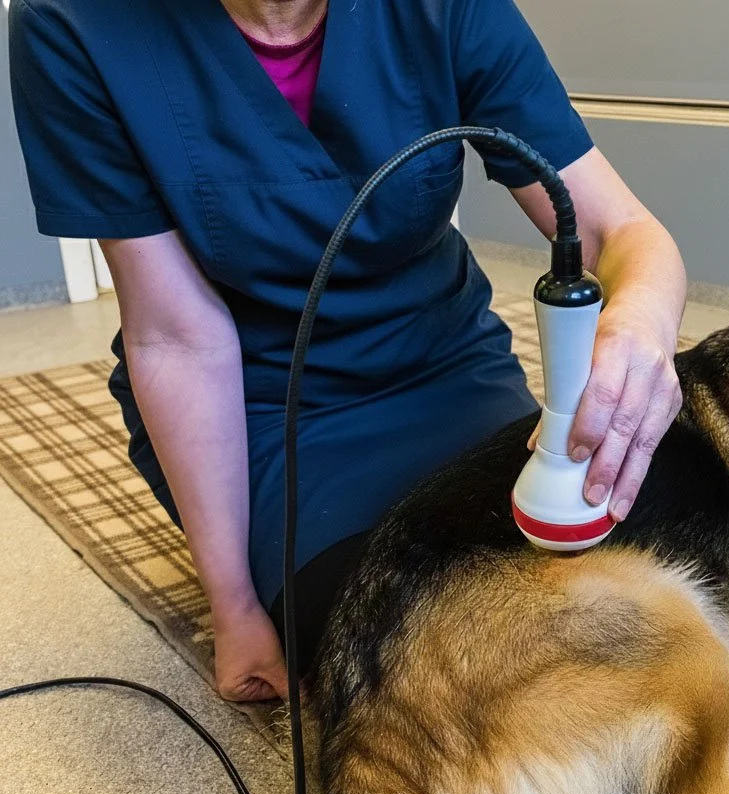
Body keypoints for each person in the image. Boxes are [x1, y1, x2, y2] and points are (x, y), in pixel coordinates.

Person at [9, 0, 686, 702]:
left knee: (621, 569)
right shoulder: (73, 24)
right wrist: (233, 607)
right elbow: (177, 336)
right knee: (416, 662)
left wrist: (642, 322)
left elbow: (617, 228)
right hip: (265, 408)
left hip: (443, 364)